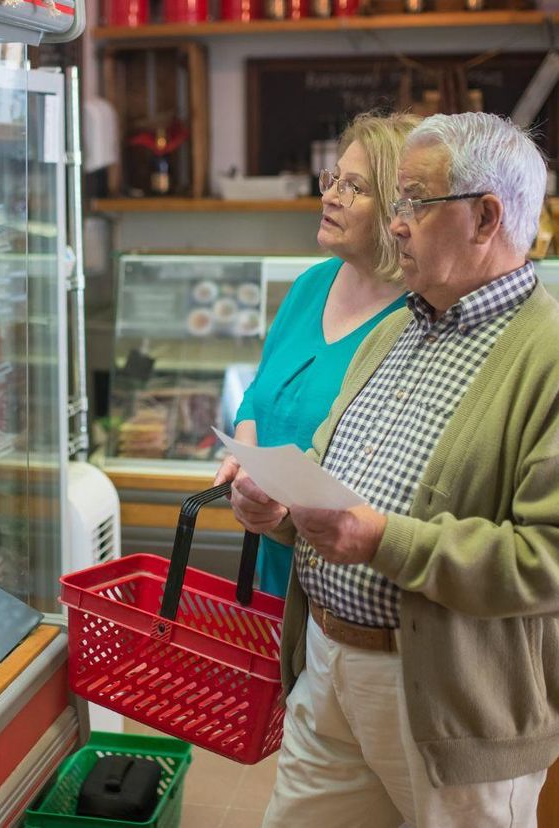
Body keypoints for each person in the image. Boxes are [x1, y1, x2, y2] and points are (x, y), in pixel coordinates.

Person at [231, 111, 559, 828]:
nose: (399, 223)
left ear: (485, 218)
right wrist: (278, 508)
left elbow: (548, 561)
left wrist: (383, 541)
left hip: (452, 705)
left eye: (414, 201)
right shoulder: (397, 326)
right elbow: (325, 461)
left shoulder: (548, 356)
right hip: (327, 669)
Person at [215, 112, 417, 597]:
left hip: (355, 588)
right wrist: (247, 471)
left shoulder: (418, 315)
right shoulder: (311, 285)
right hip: (277, 574)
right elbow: (258, 397)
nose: (328, 196)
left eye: (354, 188)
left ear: (399, 209)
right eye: (333, 179)